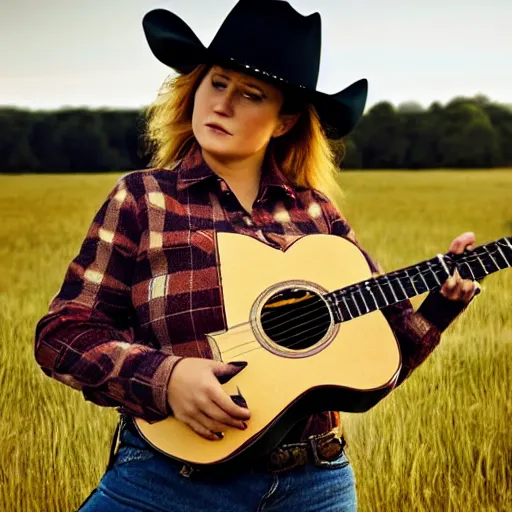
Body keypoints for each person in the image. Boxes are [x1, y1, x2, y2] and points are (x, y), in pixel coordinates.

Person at [34, 1, 480, 510]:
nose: (222, 104)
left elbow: (382, 360)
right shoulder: (144, 199)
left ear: (285, 120)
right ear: (195, 87)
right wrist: (165, 378)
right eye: (217, 83)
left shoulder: (318, 216)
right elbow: (62, 334)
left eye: (250, 94)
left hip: (314, 485)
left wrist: (441, 306)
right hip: (162, 484)